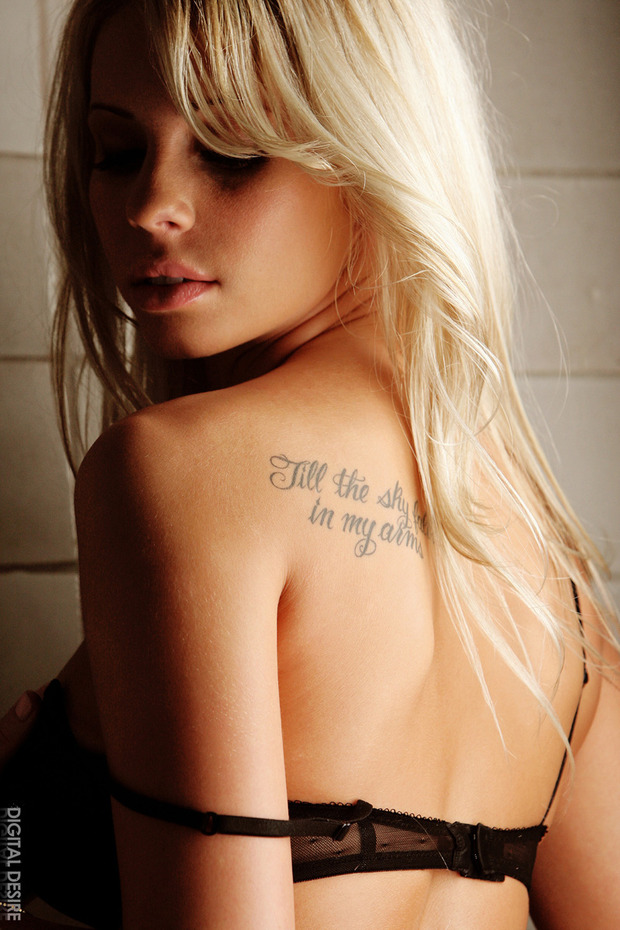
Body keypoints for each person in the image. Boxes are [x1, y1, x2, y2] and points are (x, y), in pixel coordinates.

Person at [1, 0, 619, 927]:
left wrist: (11, 868)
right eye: (117, 151)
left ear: (369, 154)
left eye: (232, 148)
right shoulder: (542, 557)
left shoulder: (179, 471)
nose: (150, 206)